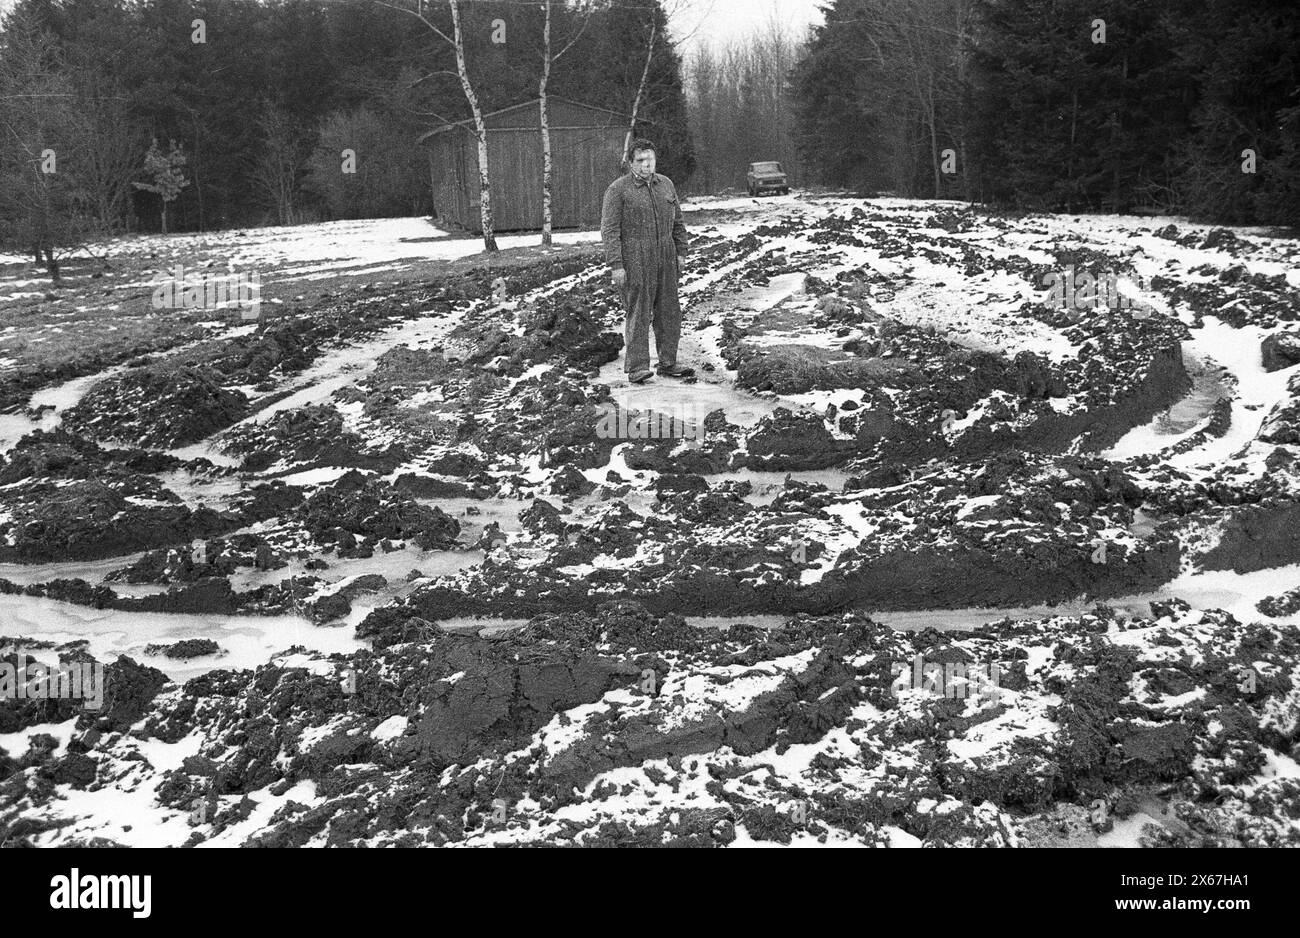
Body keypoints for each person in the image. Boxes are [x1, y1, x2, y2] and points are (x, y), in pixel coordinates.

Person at [600, 138, 694, 384]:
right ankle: (637, 367)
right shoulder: (618, 190)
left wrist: (681, 251)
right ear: (630, 163)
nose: (646, 165)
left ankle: (668, 362)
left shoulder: (666, 185)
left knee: (669, 310)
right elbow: (609, 231)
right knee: (639, 311)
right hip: (635, 255)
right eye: (640, 160)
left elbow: (678, 222)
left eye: (649, 159)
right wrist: (616, 265)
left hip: (665, 252)